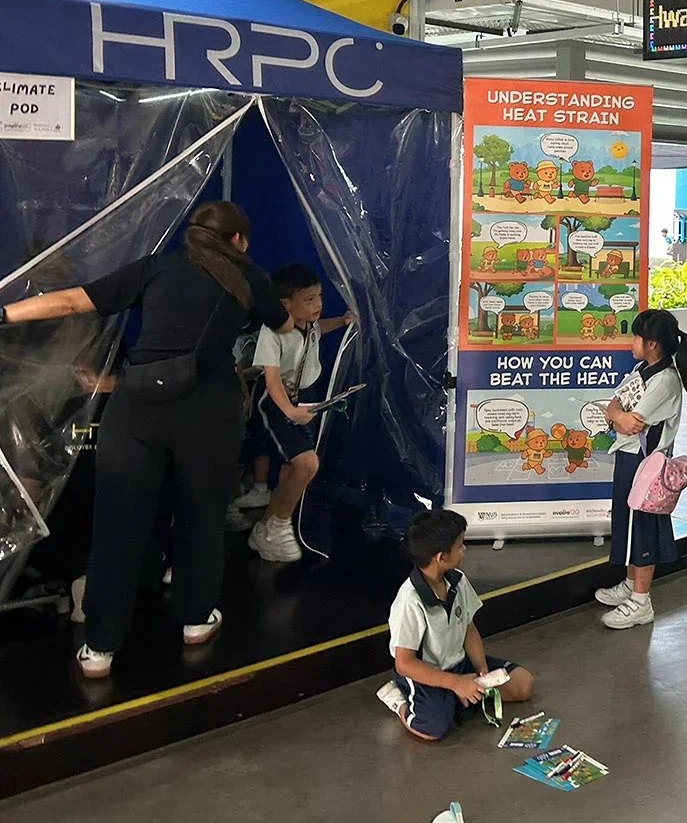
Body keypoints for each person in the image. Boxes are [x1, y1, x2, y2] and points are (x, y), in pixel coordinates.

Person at [0, 202, 292, 678]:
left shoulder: (157, 267)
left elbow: (72, 301)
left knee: (116, 524)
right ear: (239, 240)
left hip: (138, 406)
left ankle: (99, 649)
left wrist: (4, 312)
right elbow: (283, 323)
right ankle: (196, 620)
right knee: (200, 516)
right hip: (208, 409)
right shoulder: (247, 275)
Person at [237, 264, 356, 562]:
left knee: (293, 470)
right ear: (285, 304)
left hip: (303, 400)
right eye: (309, 300)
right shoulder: (272, 332)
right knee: (306, 463)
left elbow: (318, 330)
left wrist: (341, 321)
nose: (317, 305)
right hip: (275, 403)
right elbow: (271, 380)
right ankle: (278, 526)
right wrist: (289, 410)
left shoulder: (309, 325)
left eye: (319, 297)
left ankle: (267, 527)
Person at [385, 510, 535, 740]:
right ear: (441, 557)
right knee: (433, 730)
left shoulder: (457, 580)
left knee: (523, 685)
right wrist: (455, 683)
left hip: (460, 663)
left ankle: (456, 697)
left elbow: (468, 628)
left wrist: (482, 671)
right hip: (427, 673)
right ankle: (399, 701)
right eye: (460, 546)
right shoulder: (410, 601)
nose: (464, 550)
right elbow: (404, 664)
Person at [594, 308, 687, 629]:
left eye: (636, 337)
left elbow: (630, 423)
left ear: (652, 344)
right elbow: (615, 405)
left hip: (646, 464)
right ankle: (630, 584)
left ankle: (641, 600)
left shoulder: (665, 382)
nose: (631, 343)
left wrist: (618, 417)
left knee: (643, 528)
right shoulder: (642, 370)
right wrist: (617, 415)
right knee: (627, 523)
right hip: (628, 459)